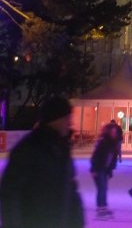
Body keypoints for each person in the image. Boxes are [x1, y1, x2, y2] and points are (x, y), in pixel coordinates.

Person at [0, 96, 84, 228]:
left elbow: (70, 188)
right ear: (56, 119)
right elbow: (10, 194)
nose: (70, 123)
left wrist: (77, 220)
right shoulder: (29, 148)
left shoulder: (62, 147)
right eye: (67, 118)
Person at [90, 122, 120, 219]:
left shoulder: (113, 143)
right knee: (101, 189)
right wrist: (94, 169)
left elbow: (113, 159)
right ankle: (100, 209)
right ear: (108, 132)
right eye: (112, 132)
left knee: (104, 188)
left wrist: (110, 170)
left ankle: (103, 207)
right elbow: (95, 157)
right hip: (99, 169)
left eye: (115, 132)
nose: (114, 133)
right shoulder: (103, 142)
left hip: (105, 169)